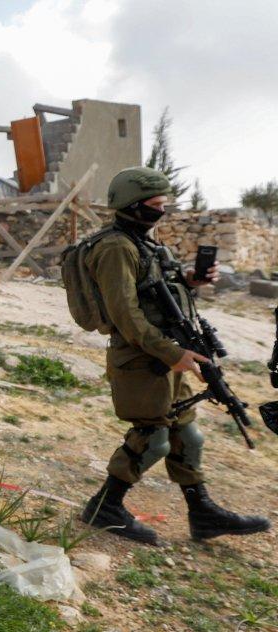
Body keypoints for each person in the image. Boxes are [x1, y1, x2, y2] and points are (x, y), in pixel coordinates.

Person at [78, 166, 270, 546]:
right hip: (142, 359)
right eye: (155, 205)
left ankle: (203, 513)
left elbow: (154, 292)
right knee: (153, 437)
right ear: (133, 205)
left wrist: (191, 281)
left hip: (168, 353)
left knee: (188, 434)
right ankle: (104, 507)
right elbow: (125, 314)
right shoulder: (115, 247)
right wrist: (172, 353)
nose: (162, 212)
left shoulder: (143, 241)